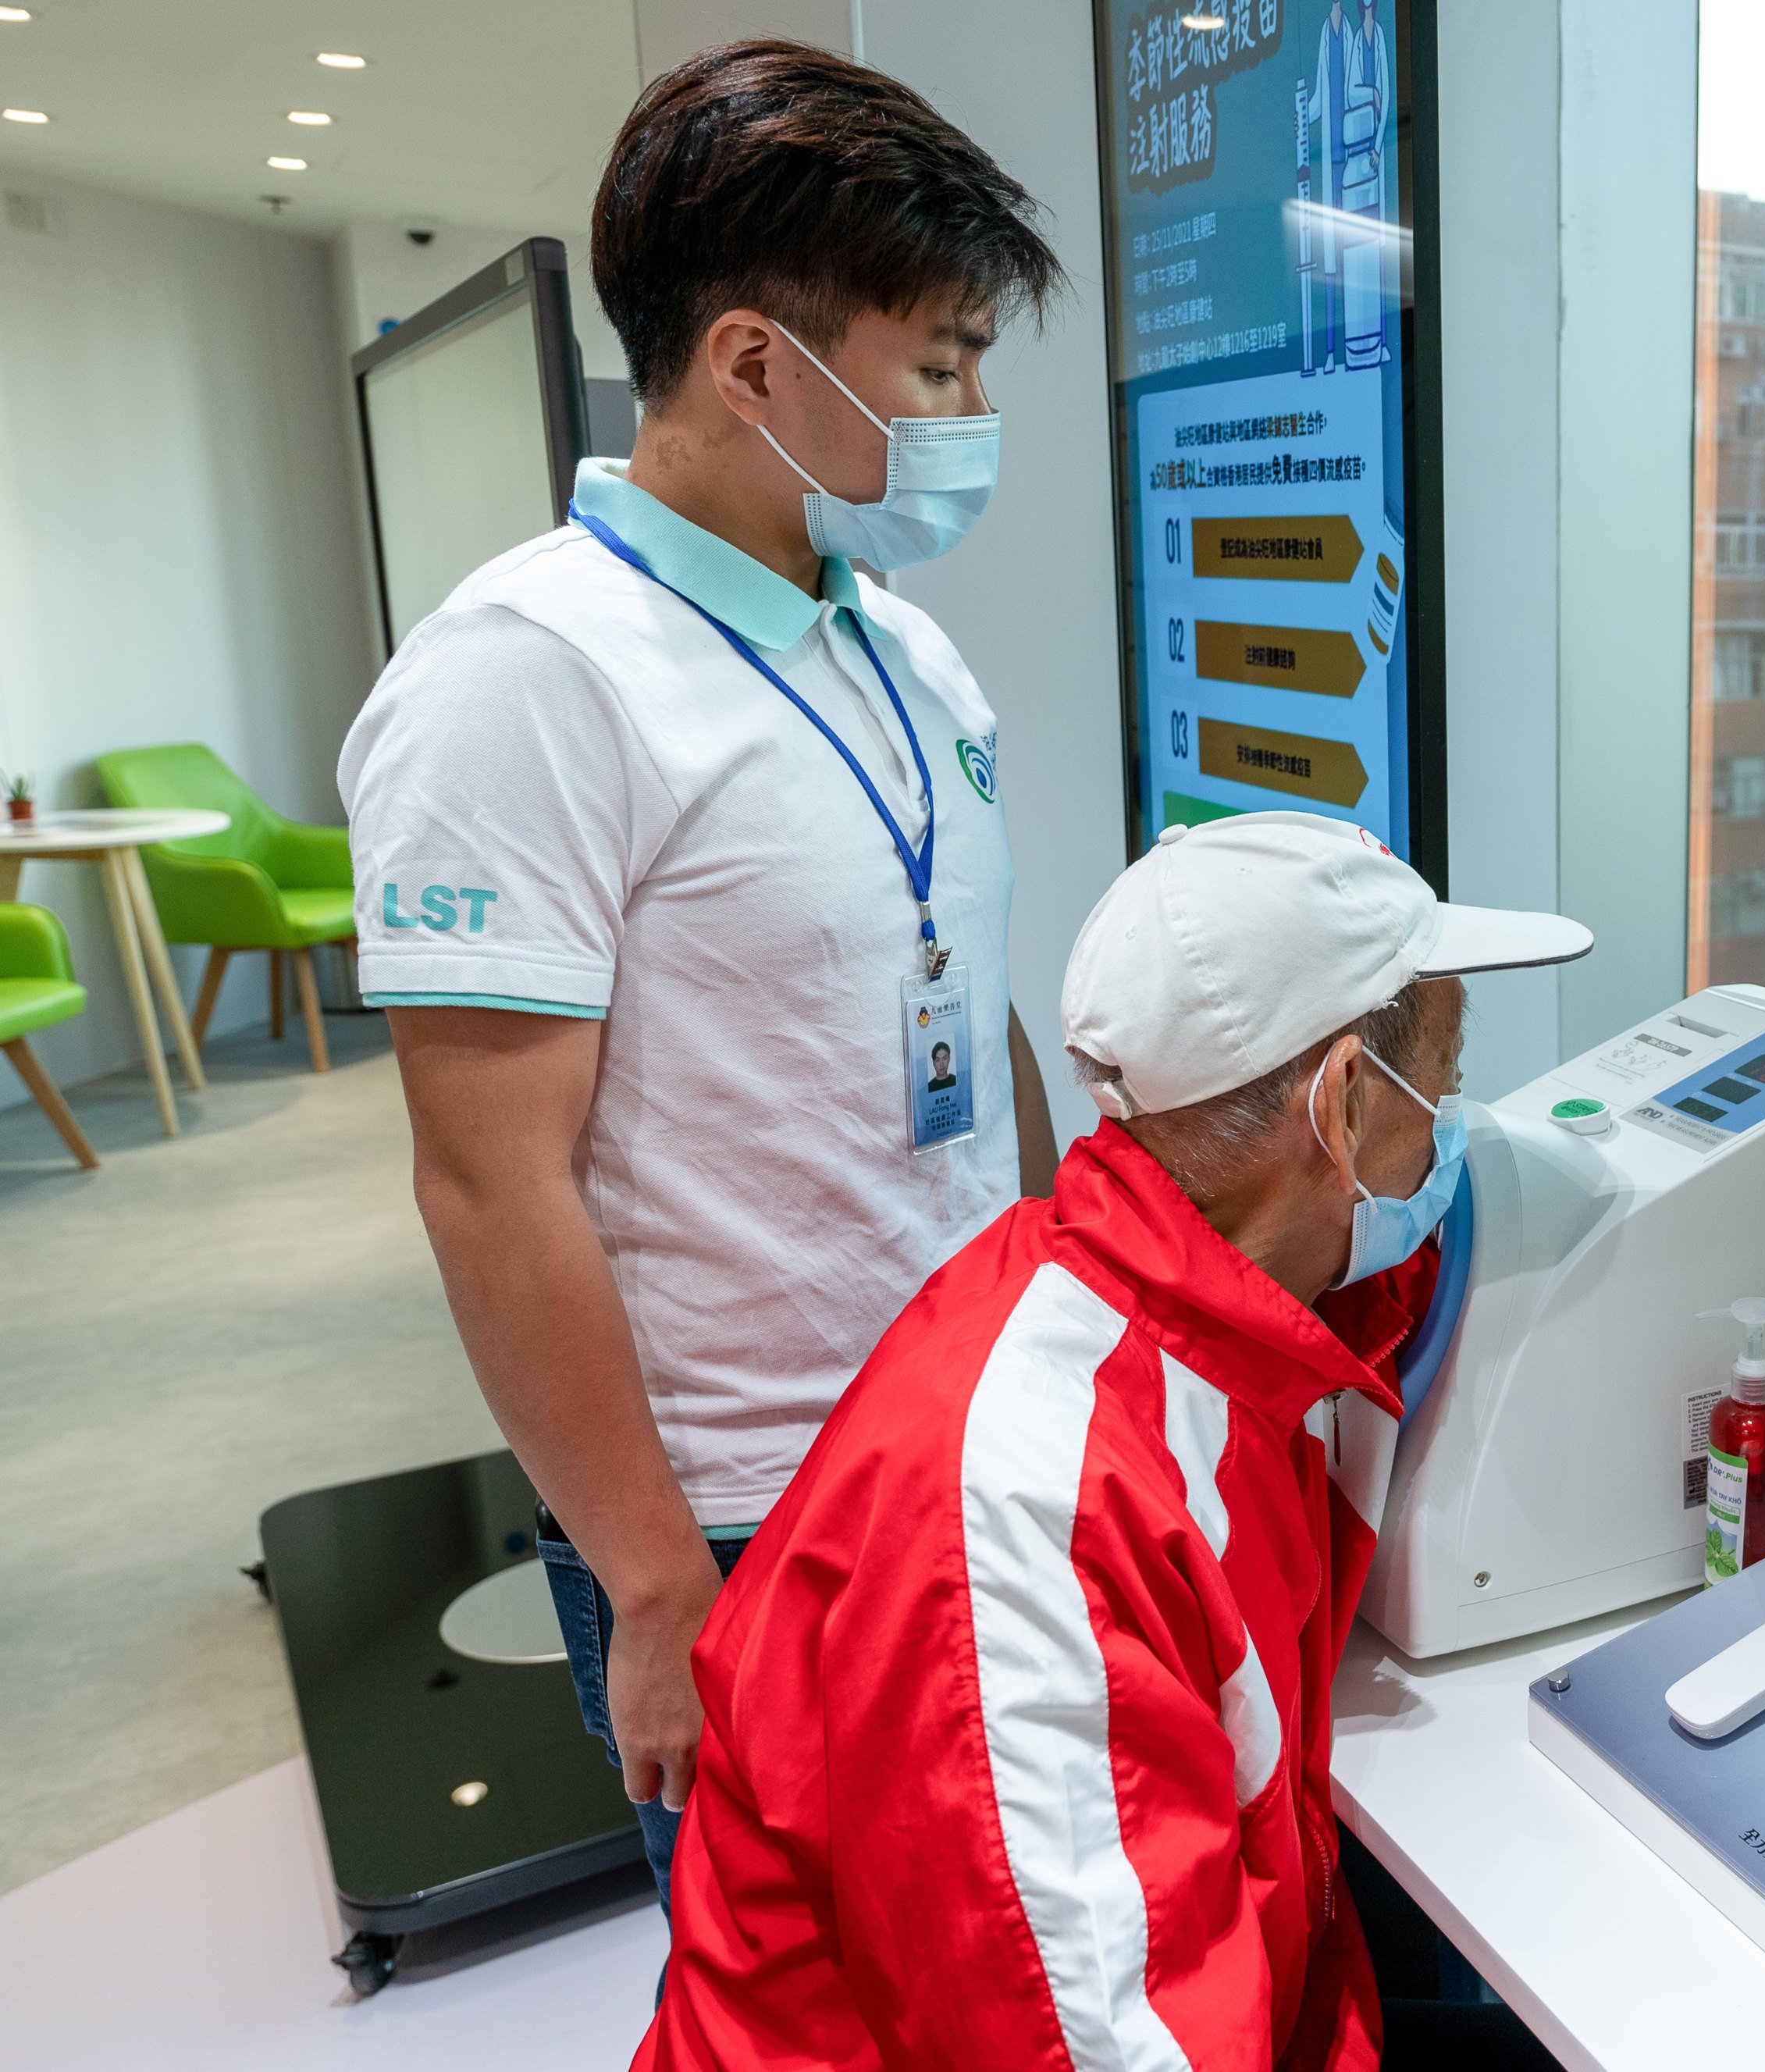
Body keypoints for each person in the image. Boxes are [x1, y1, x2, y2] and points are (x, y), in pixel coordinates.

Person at [340, 39, 1063, 1910]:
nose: (975, 407)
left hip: (960, 1426)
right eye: (941, 364)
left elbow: (963, 1008)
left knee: (982, 1940)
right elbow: (488, 1186)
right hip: (745, 1504)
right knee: (795, 1986)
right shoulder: (524, 678)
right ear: (755, 362)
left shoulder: (896, 645)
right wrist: (655, 1580)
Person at [642, 813, 1591, 2070]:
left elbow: (1484, 1260)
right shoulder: (1029, 1518)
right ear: (1347, 1100)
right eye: (1444, 1083)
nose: (1451, 1127)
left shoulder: (1198, 1291)